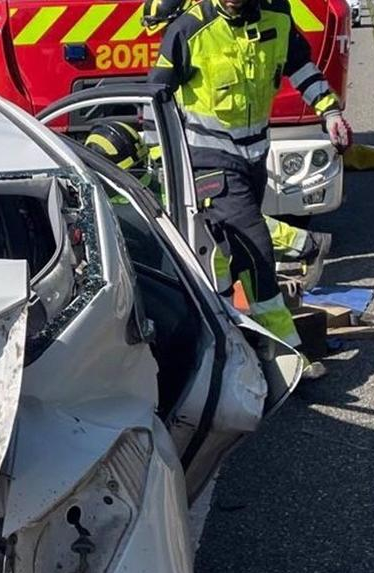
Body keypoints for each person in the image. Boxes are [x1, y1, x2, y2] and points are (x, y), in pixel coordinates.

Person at [143, 0, 352, 358]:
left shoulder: (277, 16)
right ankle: (286, 351)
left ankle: (226, 330)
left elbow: (301, 67)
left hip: (254, 159)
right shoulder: (190, 29)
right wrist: (162, 163)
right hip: (206, 160)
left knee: (225, 249)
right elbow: (154, 98)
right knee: (256, 248)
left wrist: (329, 112)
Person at [84, 120, 332, 290]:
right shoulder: (150, 159)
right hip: (206, 173)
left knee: (240, 227)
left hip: (198, 205)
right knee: (240, 225)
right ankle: (306, 245)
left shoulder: (125, 194)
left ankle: (307, 245)